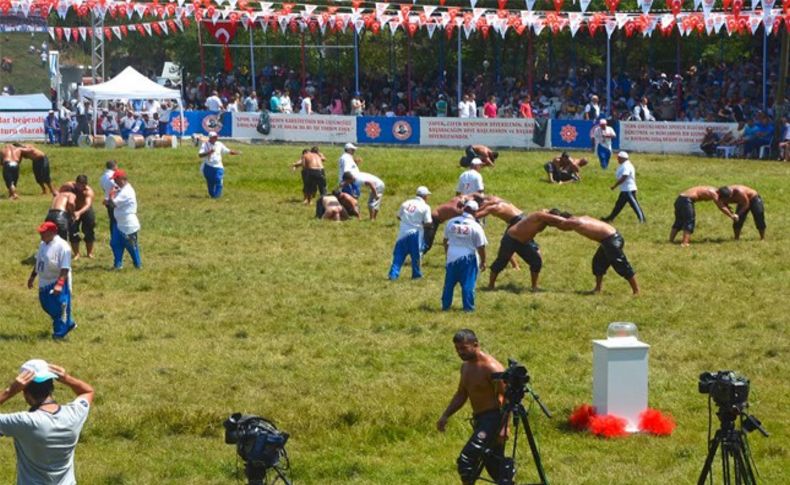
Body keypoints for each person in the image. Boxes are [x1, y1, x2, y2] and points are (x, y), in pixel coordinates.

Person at [0, 360, 94, 484]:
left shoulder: (24, 422)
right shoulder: (74, 414)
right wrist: (67, 378)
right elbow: (88, 391)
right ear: (52, 387)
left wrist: (9, 391)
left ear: (24, 391)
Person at [437, 329, 507, 485]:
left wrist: (504, 427)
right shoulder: (466, 367)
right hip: (480, 420)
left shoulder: (492, 368)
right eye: (457, 349)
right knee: (495, 466)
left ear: (475, 345)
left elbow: (507, 397)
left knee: (466, 460)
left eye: (463, 348)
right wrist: (445, 415)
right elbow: (462, 394)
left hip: (493, 419)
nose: (460, 352)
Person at [550, 210, 639, 295]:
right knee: (598, 263)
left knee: (621, 265)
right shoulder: (582, 217)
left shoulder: (573, 222)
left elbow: (562, 225)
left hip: (611, 240)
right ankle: (597, 289)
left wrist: (546, 217)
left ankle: (636, 291)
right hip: (610, 239)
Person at [484, 210, 567, 291]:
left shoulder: (546, 220)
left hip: (523, 243)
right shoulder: (539, 215)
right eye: (553, 221)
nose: (554, 224)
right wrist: (571, 221)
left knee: (536, 261)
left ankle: (534, 287)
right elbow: (557, 219)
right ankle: (491, 285)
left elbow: (560, 224)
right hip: (510, 239)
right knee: (501, 262)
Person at [27, 221, 77, 338]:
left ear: (53, 233)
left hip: (59, 281)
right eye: (41, 233)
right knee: (47, 305)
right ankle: (69, 323)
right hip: (44, 282)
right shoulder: (42, 244)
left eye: (44, 233)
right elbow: (39, 262)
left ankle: (59, 335)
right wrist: (32, 276)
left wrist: (59, 285)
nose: (41, 235)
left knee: (60, 308)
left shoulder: (63, 247)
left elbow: (65, 268)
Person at [442, 200, 487, 311]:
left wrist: (447, 254)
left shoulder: (451, 222)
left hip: (452, 256)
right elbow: (481, 246)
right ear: (475, 212)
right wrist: (483, 261)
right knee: (468, 284)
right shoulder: (476, 227)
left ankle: (445, 306)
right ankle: (468, 308)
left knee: (449, 284)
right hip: (468, 257)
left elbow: (445, 240)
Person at [669, 186, 739, 246]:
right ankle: (684, 243)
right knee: (689, 221)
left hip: (680, 199)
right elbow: (721, 207)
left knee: (679, 220)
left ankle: (671, 241)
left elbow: (722, 203)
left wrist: (729, 210)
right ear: (721, 194)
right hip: (686, 201)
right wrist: (731, 216)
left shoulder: (714, 189)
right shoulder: (713, 193)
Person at [388, 186, 432, 280]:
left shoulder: (406, 203)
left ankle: (393, 274)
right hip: (416, 234)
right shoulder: (425, 207)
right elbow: (428, 222)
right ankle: (416, 275)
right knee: (416, 256)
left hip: (403, 233)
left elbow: (399, 216)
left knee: (398, 255)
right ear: (424, 196)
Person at [108, 169, 142, 269]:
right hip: (119, 221)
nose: (114, 182)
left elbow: (112, 204)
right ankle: (118, 264)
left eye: (116, 179)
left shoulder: (126, 191)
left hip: (128, 222)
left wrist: (111, 195)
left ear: (122, 179)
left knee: (131, 245)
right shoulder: (121, 190)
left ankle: (137, 264)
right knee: (115, 243)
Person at [602, 151, 645, 223]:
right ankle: (610, 218)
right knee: (618, 205)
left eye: (618, 158)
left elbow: (624, 176)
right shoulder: (624, 165)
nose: (617, 159)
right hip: (625, 189)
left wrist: (615, 185)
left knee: (634, 205)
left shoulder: (626, 166)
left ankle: (642, 220)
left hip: (628, 189)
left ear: (623, 158)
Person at [60, 175, 96, 259]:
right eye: (79, 185)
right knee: (73, 231)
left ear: (86, 185)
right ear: (75, 183)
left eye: (83, 185)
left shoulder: (88, 191)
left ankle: (89, 253)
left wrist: (79, 213)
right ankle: (77, 253)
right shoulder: (68, 186)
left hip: (85, 210)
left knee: (89, 231)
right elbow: (60, 193)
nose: (80, 187)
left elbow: (88, 205)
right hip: (72, 210)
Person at [198, 131, 240, 198]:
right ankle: (212, 195)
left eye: (216, 137)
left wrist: (237, 152)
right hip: (208, 166)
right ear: (210, 138)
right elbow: (200, 155)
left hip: (218, 166)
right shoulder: (205, 145)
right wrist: (209, 152)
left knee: (218, 179)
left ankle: (217, 197)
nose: (216, 138)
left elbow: (227, 151)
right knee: (210, 182)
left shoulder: (219, 144)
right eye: (214, 137)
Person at [99, 160, 118, 240]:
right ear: (114, 166)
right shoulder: (114, 175)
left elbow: (103, 188)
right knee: (117, 219)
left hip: (107, 199)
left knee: (112, 219)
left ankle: (113, 235)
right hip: (115, 200)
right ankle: (117, 236)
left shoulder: (102, 177)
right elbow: (117, 187)